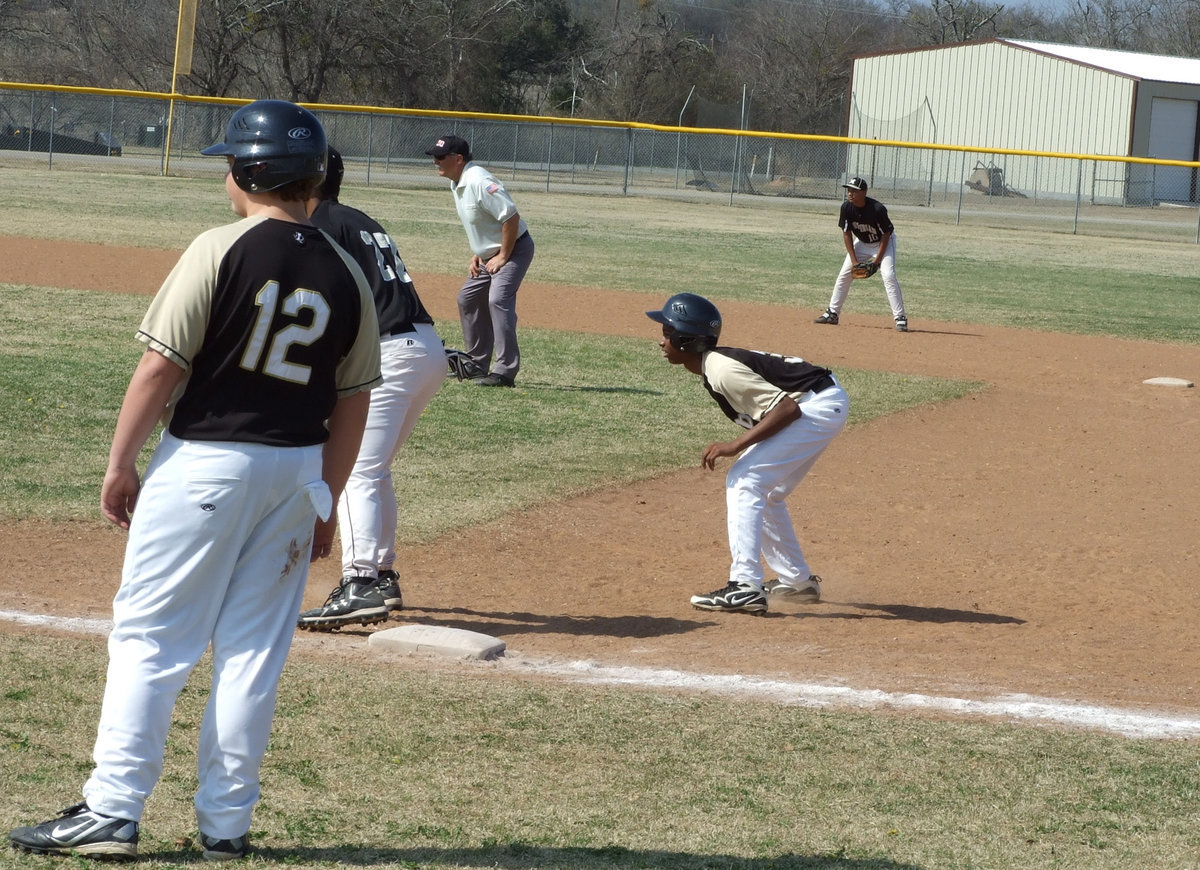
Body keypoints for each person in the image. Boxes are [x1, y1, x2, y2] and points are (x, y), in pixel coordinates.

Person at [7, 100, 381, 861]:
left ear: (247, 171)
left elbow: (160, 365)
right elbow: (354, 402)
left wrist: (119, 463)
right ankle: (226, 825)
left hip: (207, 463)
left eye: (229, 164)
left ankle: (113, 809)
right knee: (251, 654)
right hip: (296, 472)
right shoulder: (347, 270)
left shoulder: (220, 247)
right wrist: (328, 500)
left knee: (152, 640)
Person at [297, 147, 446, 631]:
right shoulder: (358, 218)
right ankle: (380, 573)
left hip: (392, 351)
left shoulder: (322, 224)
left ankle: (360, 583)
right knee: (373, 470)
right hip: (423, 348)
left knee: (356, 471)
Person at [647, 292, 848, 615]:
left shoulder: (722, 369)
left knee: (744, 479)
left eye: (667, 333)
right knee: (767, 491)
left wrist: (734, 446)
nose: (661, 341)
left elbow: (787, 409)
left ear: (685, 341)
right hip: (822, 402)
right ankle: (797, 583)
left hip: (815, 406)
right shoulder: (714, 366)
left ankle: (745, 586)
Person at [425, 134, 534, 387]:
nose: (436, 162)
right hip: (489, 255)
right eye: (434, 157)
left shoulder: (479, 181)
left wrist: (504, 256)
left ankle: (505, 371)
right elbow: (485, 222)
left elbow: (510, 217)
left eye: (441, 157)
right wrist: (478, 253)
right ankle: (476, 363)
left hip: (515, 249)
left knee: (498, 300)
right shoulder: (458, 182)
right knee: (468, 298)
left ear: (459, 159)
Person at [815, 176, 909, 332]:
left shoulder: (877, 209)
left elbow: (886, 235)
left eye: (854, 191)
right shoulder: (846, 208)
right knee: (844, 274)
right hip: (862, 244)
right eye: (849, 190)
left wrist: (876, 262)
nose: (850, 193)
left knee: (888, 275)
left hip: (883, 243)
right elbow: (847, 234)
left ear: (864, 192)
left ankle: (900, 318)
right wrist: (854, 261)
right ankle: (832, 313)